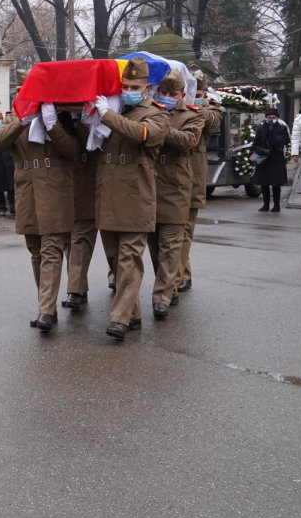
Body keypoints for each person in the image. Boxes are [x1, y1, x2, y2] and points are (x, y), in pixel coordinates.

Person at [92, 76, 168, 340]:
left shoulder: (156, 114)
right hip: (109, 194)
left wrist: (107, 115)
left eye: (134, 88)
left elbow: (141, 134)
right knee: (114, 257)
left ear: (146, 89)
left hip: (137, 195)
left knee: (129, 258)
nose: (128, 92)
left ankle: (120, 318)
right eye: (125, 87)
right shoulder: (115, 108)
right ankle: (133, 313)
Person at [0, 104, 76, 332]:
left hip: (54, 188)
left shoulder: (62, 116)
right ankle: (46, 305)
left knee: (51, 249)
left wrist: (52, 124)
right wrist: (22, 120)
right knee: (36, 250)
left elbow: (72, 150)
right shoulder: (15, 117)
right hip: (27, 190)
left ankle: (45, 311)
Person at [146, 72, 204, 319]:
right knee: (154, 245)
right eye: (164, 93)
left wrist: (161, 126)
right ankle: (169, 288)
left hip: (177, 187)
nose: (168, 98)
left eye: (173, 94)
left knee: (171, 245)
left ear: (182, 95)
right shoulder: (149, 111)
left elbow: (187, 141)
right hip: (150, 186)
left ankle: (161, 297)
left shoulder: (193, 114)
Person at [178, 77, 222, 293]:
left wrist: (192, 104)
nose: (195, 95)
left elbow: (213, 120)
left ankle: (182, 274)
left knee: (185, 228)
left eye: (198, 92)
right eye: (190, 91)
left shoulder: (210, 108)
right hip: (169, 174)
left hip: (194, 174)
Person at [62, 118, 99, 310]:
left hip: (88, 184)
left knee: (80, 238)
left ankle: (75, 290)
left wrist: (88, 116)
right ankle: (78, 288)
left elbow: (84, 144)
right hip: (66, 185)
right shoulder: (61, 116)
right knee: (72, 241)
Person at [251, 108, 290, 213]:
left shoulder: (282, 128)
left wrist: (272, 132)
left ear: (277, 118)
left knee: (276, 184)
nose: (271, 119)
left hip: (276, 158)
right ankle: (266, 205)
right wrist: (262, 151)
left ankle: (276, 206)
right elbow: (255, 144)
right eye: (269, 117)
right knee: (264, 184)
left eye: (273, 117)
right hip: (264, 159)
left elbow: (282, 141)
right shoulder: (261, 128)